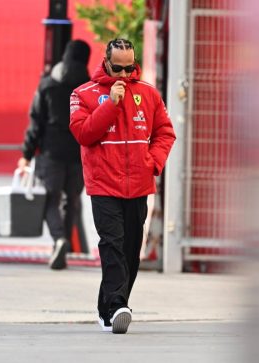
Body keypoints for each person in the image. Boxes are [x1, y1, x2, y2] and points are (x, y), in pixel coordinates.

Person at [69, 38, 175, 334]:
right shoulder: (83, 94)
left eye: (130, 68)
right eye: (118, 68)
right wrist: (112, 104)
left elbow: (165, 133)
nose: (125, 75)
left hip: (138, 184)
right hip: (103, 183)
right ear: (106, 62)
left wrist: (152, 163)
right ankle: (117, 306)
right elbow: (83, 133)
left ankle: (109, 309)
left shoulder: (149, 94)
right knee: (111, 243)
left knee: (130, 251)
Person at [18, 40, 91, 269]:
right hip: (79, 152)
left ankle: (58, 238)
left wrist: (27, 154)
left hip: (51, 151)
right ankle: (65, 244)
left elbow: (35, 122)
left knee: (51, 199)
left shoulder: (47, 84)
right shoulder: (91, 88)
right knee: (72, 200)